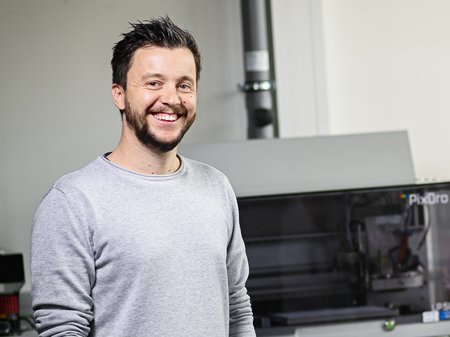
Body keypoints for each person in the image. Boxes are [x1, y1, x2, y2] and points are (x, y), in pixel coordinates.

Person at [31, 16, 256, 337]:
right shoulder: (73, 202)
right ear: (119, 94)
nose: (172, 98)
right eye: (153, 83)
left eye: (184, 85)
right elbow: (62, 327)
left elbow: (237, 306)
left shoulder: (216, 186)